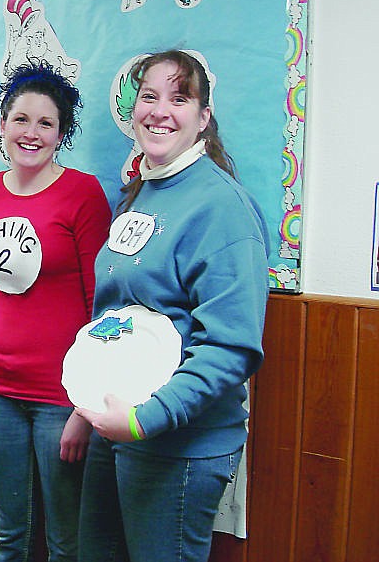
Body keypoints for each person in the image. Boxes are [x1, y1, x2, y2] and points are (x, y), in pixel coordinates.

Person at [75, 50, 270, 562]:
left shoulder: (222, 207)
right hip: (115, 429)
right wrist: (89, 404)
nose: (160, 110)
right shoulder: (141, 193)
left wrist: (145, 420)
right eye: (149, 96)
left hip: (178, 443)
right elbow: (116, 316)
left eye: (179, 98)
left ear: (203, 117)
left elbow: (230, 348)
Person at [0, 61, 112, 562]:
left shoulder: (83, 193)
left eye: (46, 123)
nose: (31, 133)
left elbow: (102, 305)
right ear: (2, 125)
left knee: (65, 539)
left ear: (61, 133)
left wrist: (86, 405)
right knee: (6, 531)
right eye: (21, 120)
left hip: (61, 396)